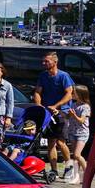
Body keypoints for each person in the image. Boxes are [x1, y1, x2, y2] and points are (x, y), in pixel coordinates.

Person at [33, 52, 75, 180]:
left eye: (46, 61)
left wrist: (56, 106)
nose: (44, 63)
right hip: (48, 112)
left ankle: (69, 166)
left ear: (54, 62)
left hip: (62, 112)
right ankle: (54, 170)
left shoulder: (63, 76)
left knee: (60, 141)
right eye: (43, 61)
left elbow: (69, 94)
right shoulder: (43, 76)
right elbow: (37, 92)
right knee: (50, 142)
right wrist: (39, 105)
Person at [64, 85, 92, 183]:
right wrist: (62, 113)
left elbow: (81, 120)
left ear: (80, 94)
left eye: (74, 93)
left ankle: (87, 173)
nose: (72, 95)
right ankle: (76, 176)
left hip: (82, 133)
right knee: (75, 156)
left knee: (77, 154)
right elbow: (68, 117)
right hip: (73, 132)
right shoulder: (74, 105)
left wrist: (74, 114)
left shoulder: (86, 107)